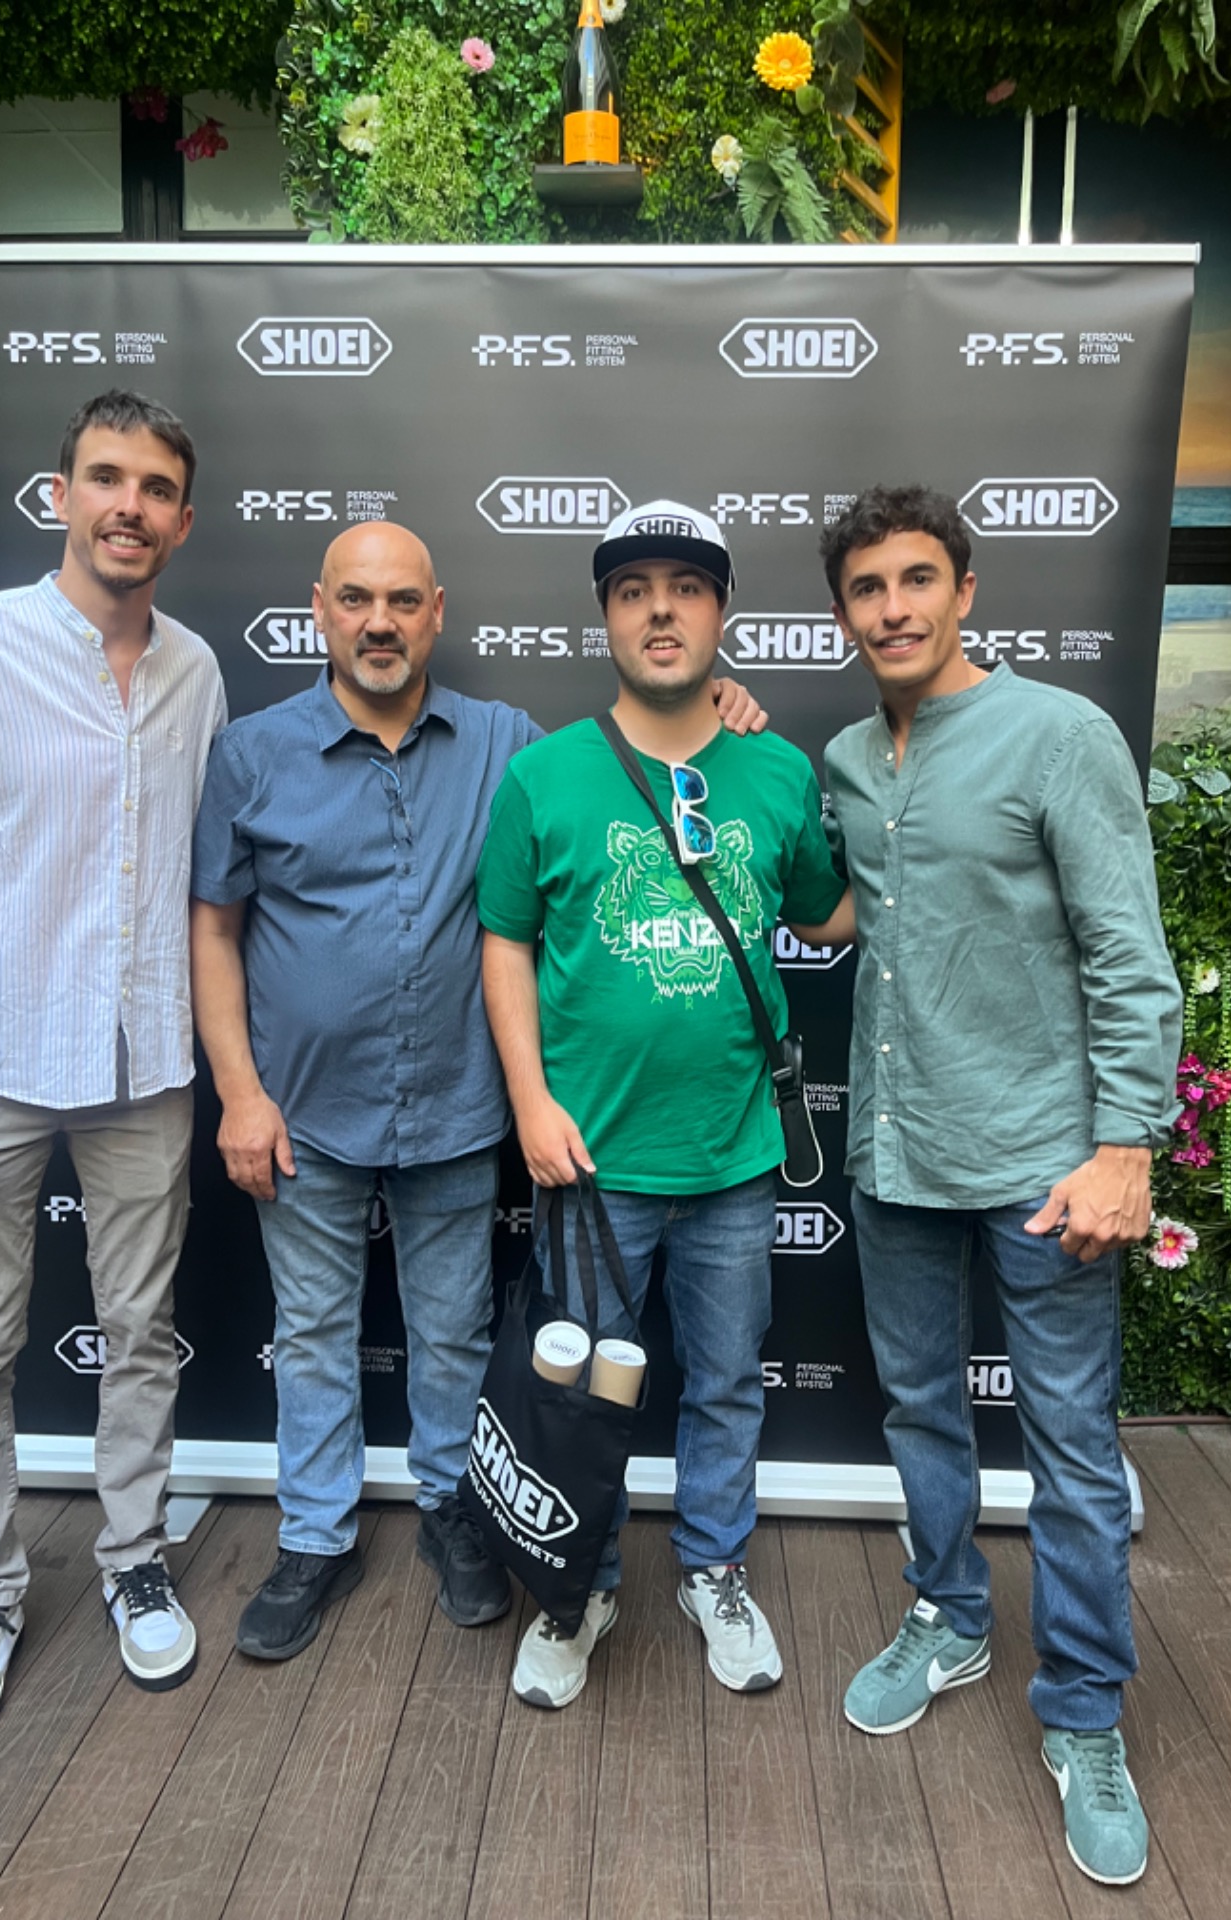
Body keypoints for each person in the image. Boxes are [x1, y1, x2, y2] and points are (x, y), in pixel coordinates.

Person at [189, 518, 764, 1662]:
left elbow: (631, 753)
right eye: (358, 600)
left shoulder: (506, 742)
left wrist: (722, 706)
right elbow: (214, 930)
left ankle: (454, 1511)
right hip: (302, 1113)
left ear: (437, 613)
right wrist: (239, 1093)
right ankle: (313, 1536)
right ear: (321, 610)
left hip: (455, 1111)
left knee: (452, 1334)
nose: (381, 623)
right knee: (312, 1332)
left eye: (403, 601)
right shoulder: (251, 755)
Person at [818, 485, 1181, 1887]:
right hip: (898, 1155)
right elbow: (838, 905)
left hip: (1044, 1164)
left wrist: (1126, 1146)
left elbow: (1129, 951)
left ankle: (1084, 1712)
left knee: (1072, 1449)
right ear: (843, 612)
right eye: (867, 587)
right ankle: (950, 1615)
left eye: (918, 578)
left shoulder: (1060, 734)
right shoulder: (850, 758)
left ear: (965, 589)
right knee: (920, 1407)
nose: (894, 607)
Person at [0, 391, 224, 1746]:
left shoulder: (197, 670)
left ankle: (135, 1558)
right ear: (60, 494)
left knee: (141, 1329)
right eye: (107, 478)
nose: (129, 505)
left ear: (182, 521)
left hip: (145, 1066)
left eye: (155, 488)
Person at [477, 500, 853, 1711]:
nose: (659, 610)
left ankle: (714, 1571)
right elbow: (504, 942)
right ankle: (574, 1588)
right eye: (633, 589)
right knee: (578, 1399)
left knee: (727, 1379)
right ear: (605, 616)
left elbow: (829, 914)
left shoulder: (778, 770)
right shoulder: (543, 774)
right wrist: (530, 1100)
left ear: (720, 612)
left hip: (734, 1155)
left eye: (685, 588)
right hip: (589, 1162)